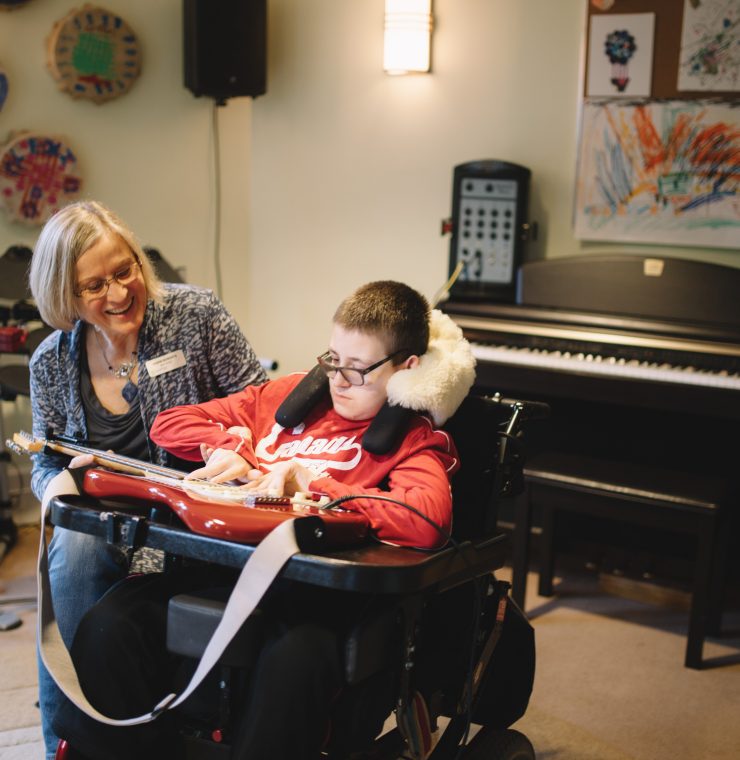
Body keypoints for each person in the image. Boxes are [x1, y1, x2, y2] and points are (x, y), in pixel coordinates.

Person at [52, 280, 476, 760]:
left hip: (314, 599)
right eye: (333, 360)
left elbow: (424, 520)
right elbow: (169, 423)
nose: (338, 380)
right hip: (228, 573)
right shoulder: (287, 398)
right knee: (112, 622)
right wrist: (235, 448)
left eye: (358, 369)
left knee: (292, 663)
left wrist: (316, 484)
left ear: (406, 369)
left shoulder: (410, 437)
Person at [28, 200, 268, 760]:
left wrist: (236, 449)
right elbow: (42, 463)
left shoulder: (197, 315)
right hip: (105, 521)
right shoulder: (49, 362)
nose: (117, 293)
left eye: (124, 270)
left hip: (194, 517)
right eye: (94, 285)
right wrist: (64, 481)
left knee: (78, 567)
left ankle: (99, 736)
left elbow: (263, 407)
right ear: (65, 296)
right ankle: (74, 741)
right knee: (75, 549)